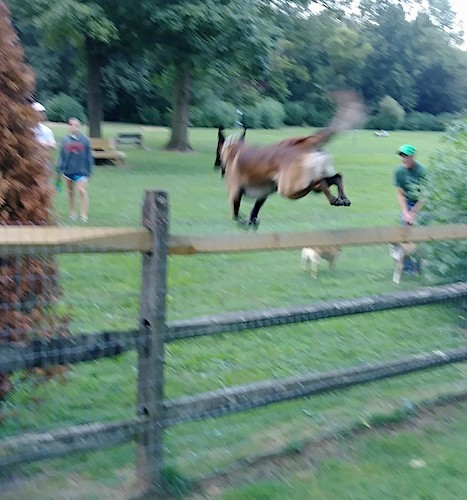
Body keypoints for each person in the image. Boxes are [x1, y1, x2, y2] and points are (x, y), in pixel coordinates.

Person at [394, 144, 427, 273]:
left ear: (413, 156)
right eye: (402, 156)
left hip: (421, 203)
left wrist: (413, 213)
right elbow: (400, 193)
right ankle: (408, 268)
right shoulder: (399, 171)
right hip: (407, 202)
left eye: (406, 156)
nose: (404, 158)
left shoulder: (422, 171)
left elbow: (424, 196)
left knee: (418, 234)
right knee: (405, 234)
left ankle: (418, 266)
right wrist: (405, 213)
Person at [58, 117, 93, 223]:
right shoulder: (65, 140)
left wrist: (89, 171)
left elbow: (89, 157)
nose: (75, 128)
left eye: (77, 126)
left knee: (82, 191)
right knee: (70, 192)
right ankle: (72, 212)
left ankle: (84, 214)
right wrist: (60, 168)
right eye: (73, 125)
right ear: (69, 126)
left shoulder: (85, 140)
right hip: (68, 171)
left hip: (81, 171)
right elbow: (62, 156)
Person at [32, 102, 56, 169]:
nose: (42, 115)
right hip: (29, 161)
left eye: (42, 113)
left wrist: (38, 143)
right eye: (39, 112)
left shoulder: (46, 130)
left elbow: (53, 145)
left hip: (43, 161)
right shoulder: (26, 129)